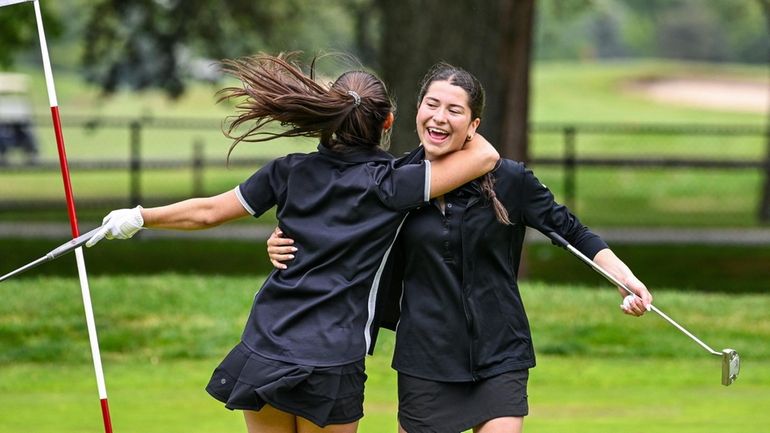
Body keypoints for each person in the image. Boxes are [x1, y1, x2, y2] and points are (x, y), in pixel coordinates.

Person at [85, 54, 500, 433]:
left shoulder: (288, 172)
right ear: (388, 122)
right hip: (332, 356)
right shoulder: (394, 183)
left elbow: (208, 212)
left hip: (267, 344)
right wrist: (463, 120)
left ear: (328, 115)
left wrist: (140, 216)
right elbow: (484, 155)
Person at [267, 62, 653, 433]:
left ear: (474, 125)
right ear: (417, 111)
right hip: (425, 359)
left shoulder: (510, 180)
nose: (439, 117)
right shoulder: (393, 183)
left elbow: (572, 232)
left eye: (454, 110)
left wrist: (623, 278)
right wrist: (283, 242)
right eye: (431, 105)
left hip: (499, 353)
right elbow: (335, 231)